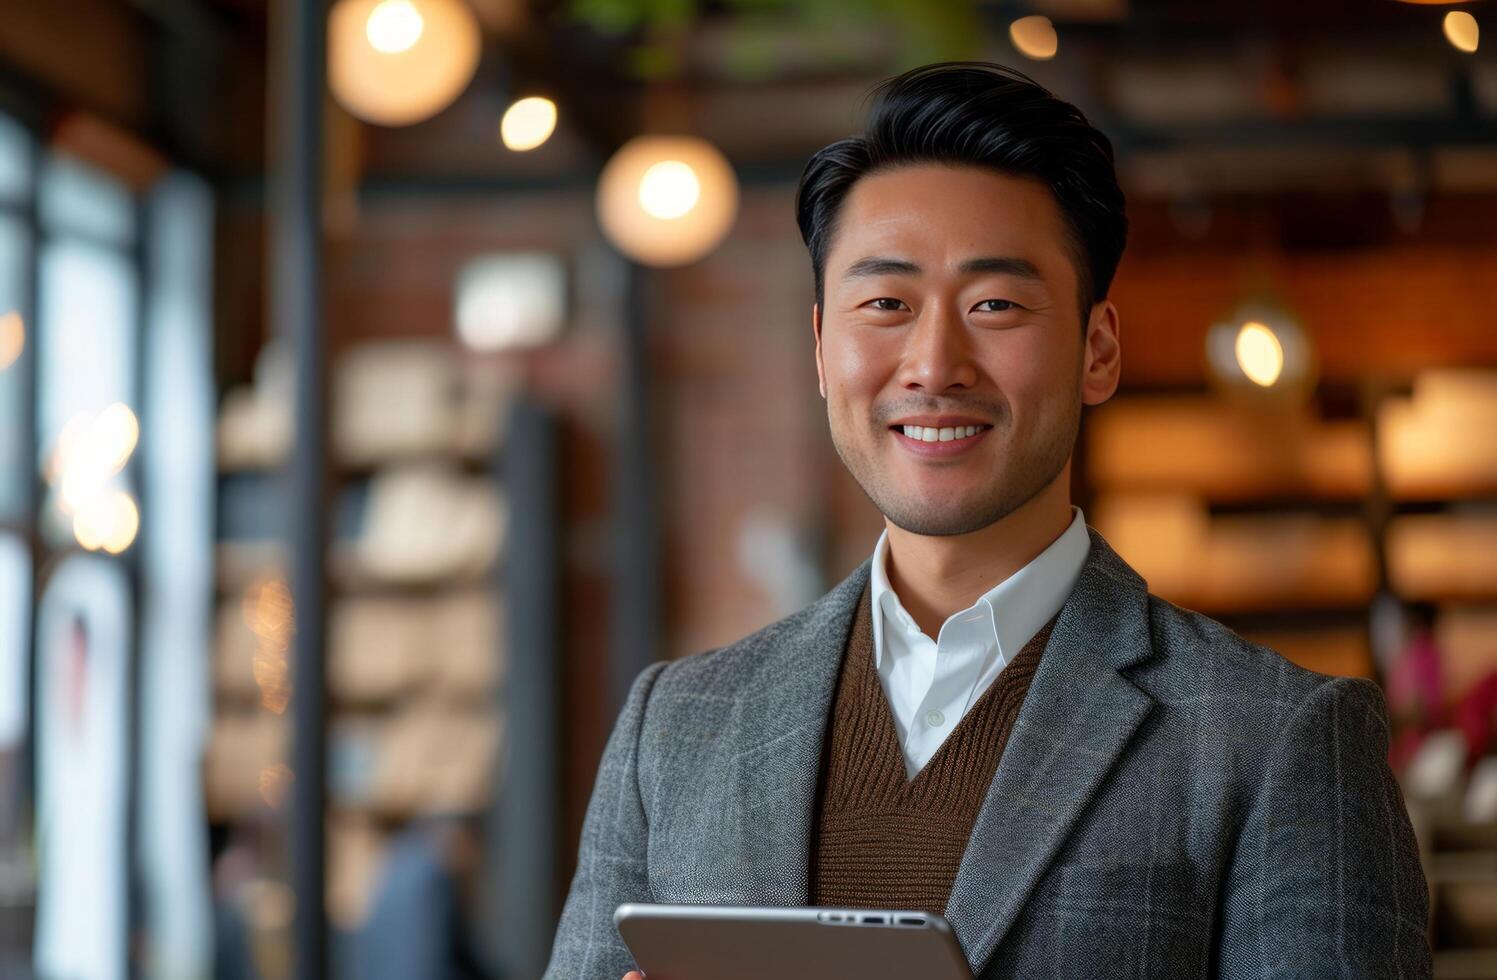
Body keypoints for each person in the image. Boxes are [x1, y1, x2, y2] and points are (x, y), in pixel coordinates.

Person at [545, 62, 1432, 979]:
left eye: (994, 305)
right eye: (885, 304)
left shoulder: (1273, 738)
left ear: (1096, 350)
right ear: (820, 348)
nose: (933, 363)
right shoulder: (677, 726)